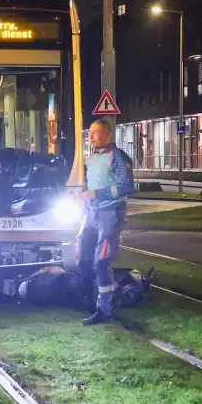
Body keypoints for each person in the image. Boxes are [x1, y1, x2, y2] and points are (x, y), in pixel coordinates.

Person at [79, 119, 136, 325]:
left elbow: (126, 186)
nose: (91, 137)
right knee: (83, 260)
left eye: (95, 133)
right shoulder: (92, 158)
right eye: (90, 133)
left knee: (100, 262)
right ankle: (103, 296)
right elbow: (88, 183)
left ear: (108, 135)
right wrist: (83, 193)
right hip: (92, 214)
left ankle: (104, 309)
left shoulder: (117, 157)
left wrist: (97, 193)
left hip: (110, 214)